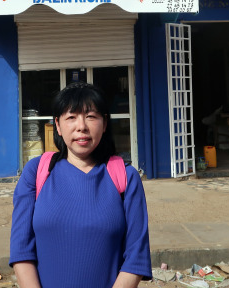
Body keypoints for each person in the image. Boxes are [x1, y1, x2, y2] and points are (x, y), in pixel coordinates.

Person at [9, 82, 152, 288]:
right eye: (71, 117)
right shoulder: (36, 171)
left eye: (91, 116)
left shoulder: (126, 177)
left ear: (104, 123)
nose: (81, 126)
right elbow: (21, 251)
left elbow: (136, 258)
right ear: (58, 125)